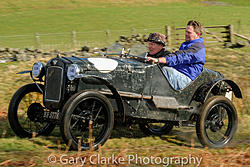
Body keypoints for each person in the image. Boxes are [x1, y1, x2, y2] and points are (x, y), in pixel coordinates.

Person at [147, 20, 206, 90]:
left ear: (198, 34)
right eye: (186, 31)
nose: (186, 34)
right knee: (156, 69)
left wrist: (159, 60)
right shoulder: (186, 44)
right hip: (178, 74)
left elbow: (180, 57)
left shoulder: (198, 48)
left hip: (186, 79)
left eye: (189, 32)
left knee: (163, 71)